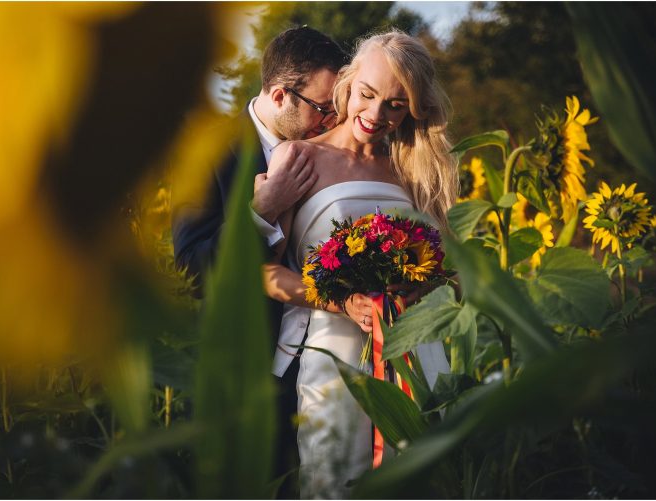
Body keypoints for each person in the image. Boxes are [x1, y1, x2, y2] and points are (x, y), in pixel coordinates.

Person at [262, 30, 458, 499]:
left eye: (395, 105)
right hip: (335, 356)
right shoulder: (300, 157)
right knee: (337, 479)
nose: (375, 115)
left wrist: (421, 287)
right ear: (347, 85)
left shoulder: (414, 171)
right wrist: (341, 302)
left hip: (418, 351)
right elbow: (266, 273)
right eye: (367, 95)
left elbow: (446, 269)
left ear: (413, 108)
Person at [170, 26, 347, 494]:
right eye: (323, 108)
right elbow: (191, 268)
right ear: (280, 95)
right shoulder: (206, 150)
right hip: (240, 380)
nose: (332, 121)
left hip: (329, 368)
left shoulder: (337, 152)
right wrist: (263, 210)